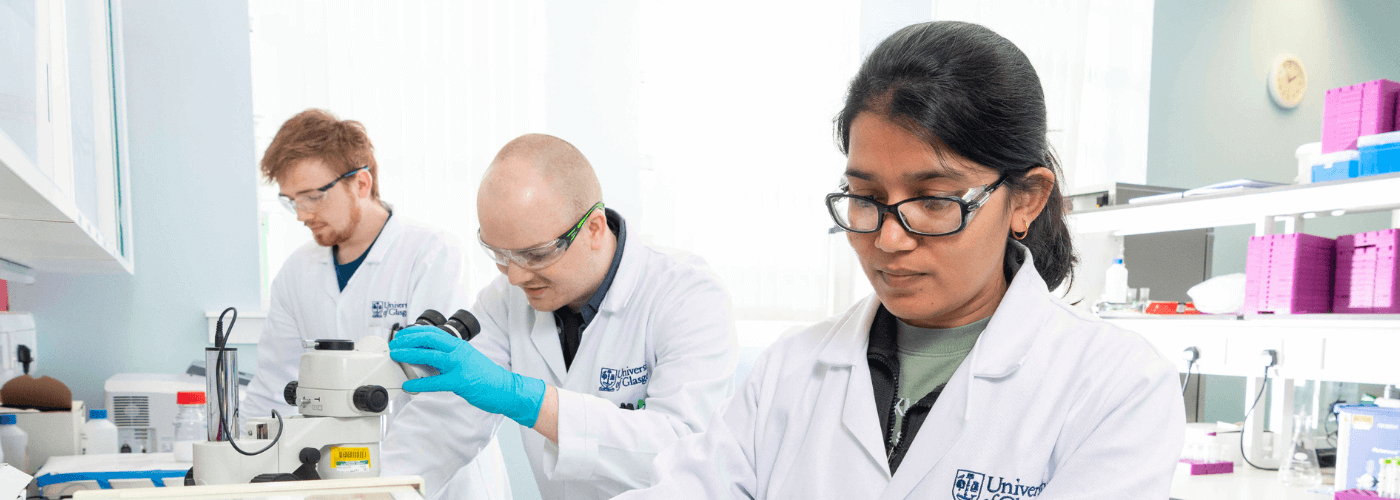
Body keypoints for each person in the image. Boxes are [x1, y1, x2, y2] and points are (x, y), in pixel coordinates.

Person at [616, 22, 1184, 499]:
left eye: (935, 201)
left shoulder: (1115, 385)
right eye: (866, 200)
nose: (889, 239)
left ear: (1026, 199)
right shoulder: (791, 371)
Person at [382, 133, 738, 500]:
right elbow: (443, 422)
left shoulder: (687, 295)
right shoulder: (505, 299)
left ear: (595, 229)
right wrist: (377, 490)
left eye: (536, 254)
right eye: (500, 255)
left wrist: (531, 402)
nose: (516, 276)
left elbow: (681, 449)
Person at [242, 109, 509, 499]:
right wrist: (246, 471)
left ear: (361, 183)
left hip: (437, 482)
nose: (302, 214)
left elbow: (442, 394)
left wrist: (385, 486)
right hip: (341, 481)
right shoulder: (296, 272)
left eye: (313, 196)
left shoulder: (432, 254)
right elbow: (272, 388)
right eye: (291, 201)